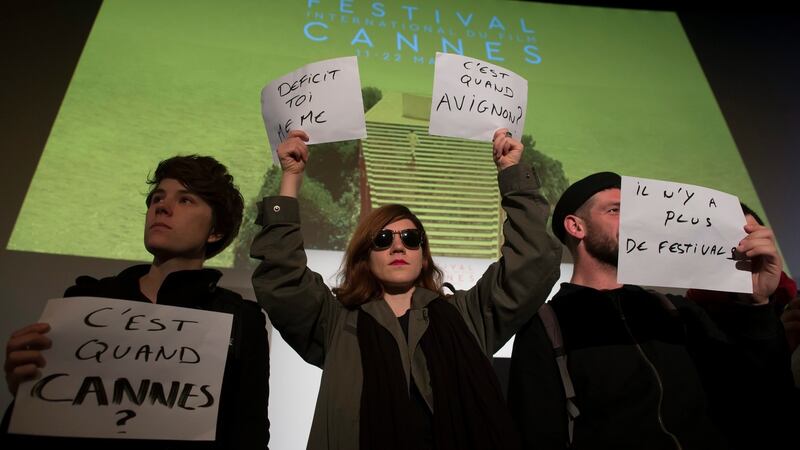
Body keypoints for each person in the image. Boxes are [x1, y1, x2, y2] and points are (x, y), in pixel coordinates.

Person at [250, 128, 561, 450]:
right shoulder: (335, 322)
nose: (398, 247)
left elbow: (532, 261)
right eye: (383, 239)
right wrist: (291, 178)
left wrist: (511, 172)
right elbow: (283, 278)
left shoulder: (468, 316)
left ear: (423, 257)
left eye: (411, 239)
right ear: (364, 257)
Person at [508, 172, 797, 450]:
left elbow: (762, 396)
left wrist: (757, 305)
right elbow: (537, 435)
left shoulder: (677, 311)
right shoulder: (546, 327)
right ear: (576, 227)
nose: (632, 221)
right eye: (615, 210)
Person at [2, 155, 270, 449]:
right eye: (157, 197)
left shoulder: (240, 320)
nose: (161, 207)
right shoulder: (86, 300)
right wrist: (25, 394)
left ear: (215, 231)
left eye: (185, 200)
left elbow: (250, 435)